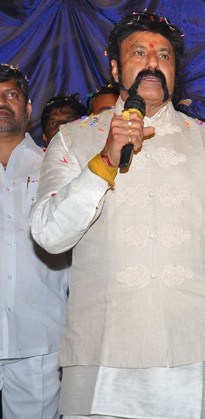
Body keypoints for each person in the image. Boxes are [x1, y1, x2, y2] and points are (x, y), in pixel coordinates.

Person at [29, 11, 205, 418]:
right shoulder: (72, 139)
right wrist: (105, 161)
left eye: (164, 55)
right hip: (104, 346)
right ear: (115, 68)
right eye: (139, 53)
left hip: (204, 343)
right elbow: (49, 235)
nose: (152, 63)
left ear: (175, 71)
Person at [0, 63, 70, 418]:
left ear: (27, 108)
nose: (2, 103)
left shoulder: (54, 168)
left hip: (40, 337)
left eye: (11, 95)